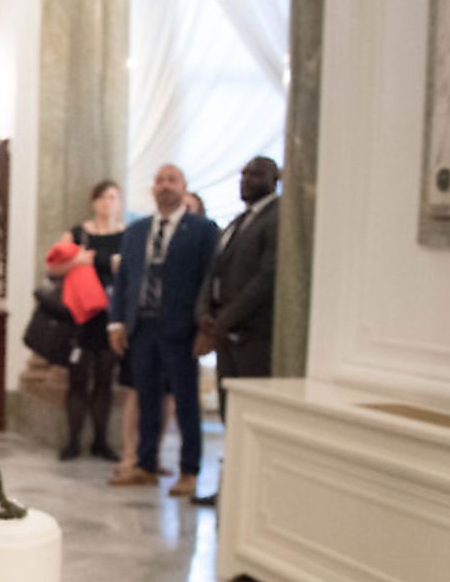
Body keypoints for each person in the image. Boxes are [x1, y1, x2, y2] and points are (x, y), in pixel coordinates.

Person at [108, 164, 218, 498]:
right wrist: (117, 322)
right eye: (160, 180)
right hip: (142, 328)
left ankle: (189, 470)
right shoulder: (138, 230)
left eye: (172, 180)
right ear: (152, 189)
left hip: (182, 329)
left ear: (184, 188)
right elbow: (124, 279)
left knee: (185, 401)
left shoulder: (202, 230)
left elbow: (210, 280)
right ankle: (145, 464)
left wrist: (206, 328)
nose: (165, 186)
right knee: (147, 398)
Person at [193, 156, 281, 506]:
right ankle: (230, 488)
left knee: (252, 419)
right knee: (232, 416)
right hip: (226, 336)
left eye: (255, 173)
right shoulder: (238, 221)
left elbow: (266, 278)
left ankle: (251, 495)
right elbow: (214, 272)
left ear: (274, 179)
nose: (246, 179)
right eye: (243, 173)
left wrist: (226, 318)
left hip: (253, 338)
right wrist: (204, 313)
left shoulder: (277, 218)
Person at [48, 180, 125, 461]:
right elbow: (53, 267)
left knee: (105, 378)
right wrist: (80, 262)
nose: (107, 203)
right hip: (80, 316)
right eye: (103, 197)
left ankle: (101, 440)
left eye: (113, 198)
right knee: (77, 378)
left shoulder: (126, 235)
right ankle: (72, 440)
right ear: (94, 202)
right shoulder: (79, 233)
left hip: (110, 315)